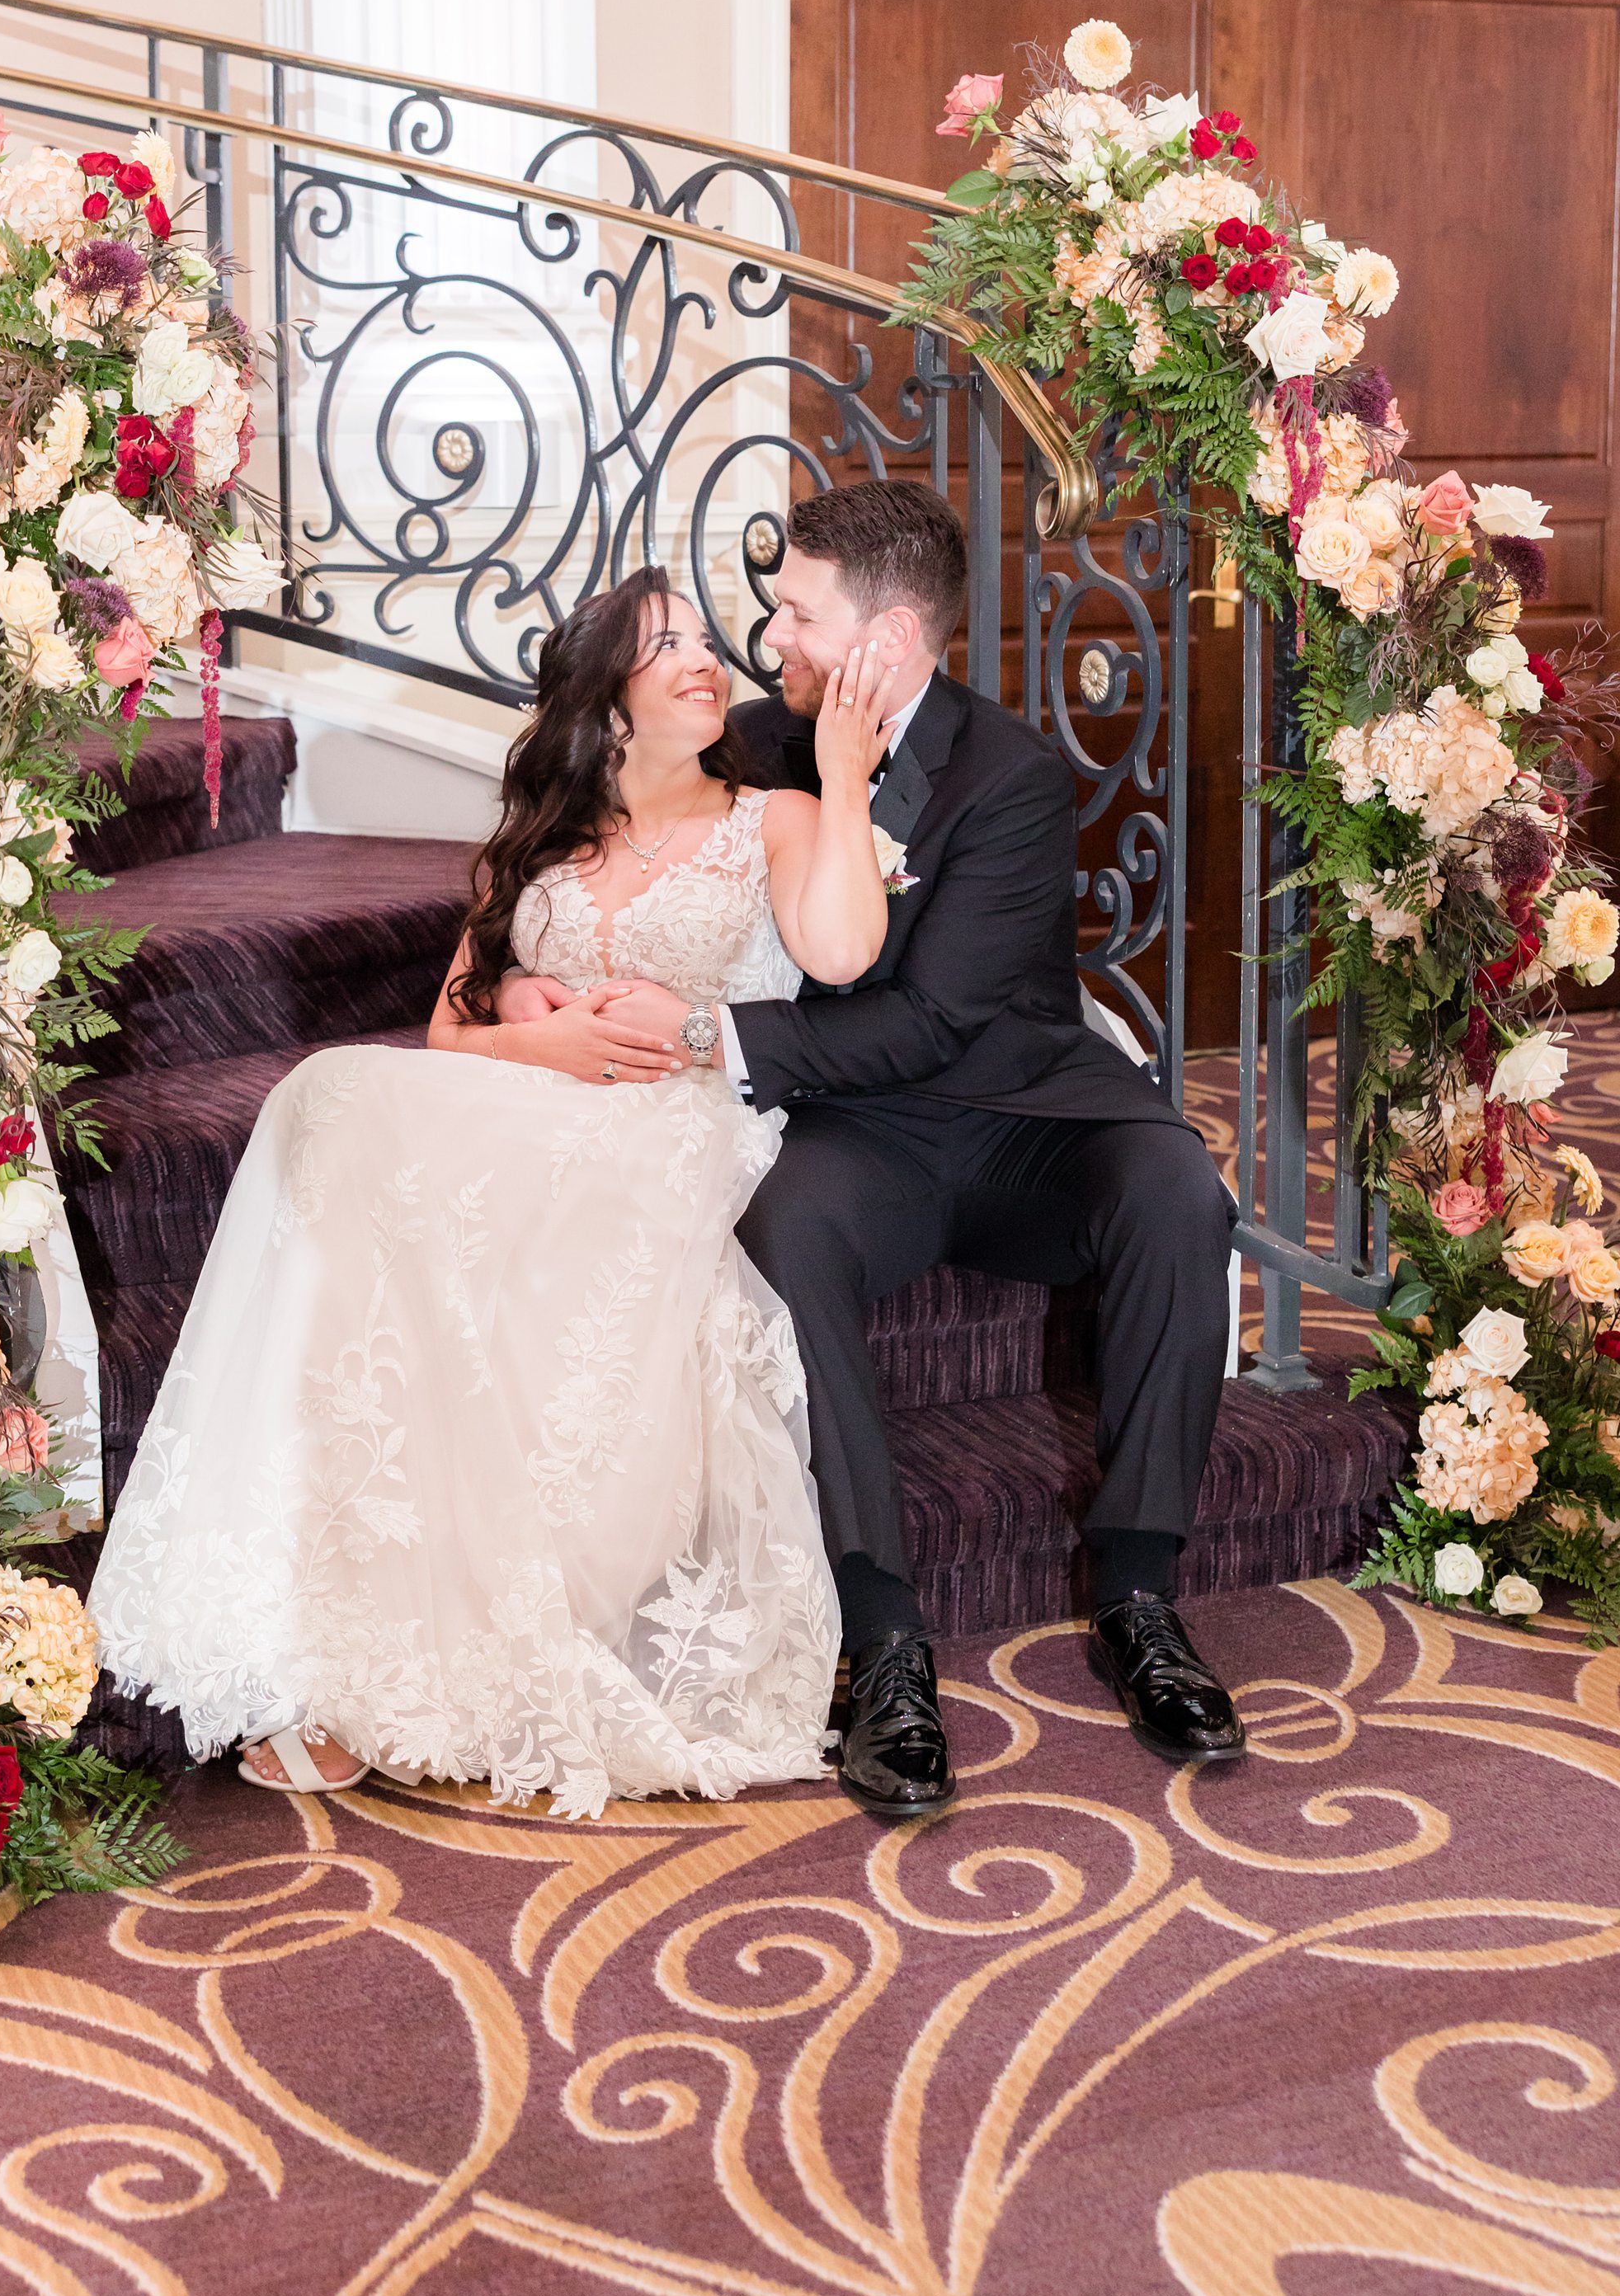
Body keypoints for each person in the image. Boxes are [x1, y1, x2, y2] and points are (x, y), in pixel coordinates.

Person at [89, 567, 899, 1816]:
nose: (704, 659)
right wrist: (547, 1040)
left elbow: (843, 951)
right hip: (534, 1099)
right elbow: (451, 1035)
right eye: (664, 645)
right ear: (607, 704)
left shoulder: (775, 817)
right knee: (330, 1100)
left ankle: (474, 1631)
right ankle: (328, 1621)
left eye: (702, 640)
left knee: (475, 1211)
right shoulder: (539, 845)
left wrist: (844, 776)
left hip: (678, 1130)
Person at [504, 482, 1246, 1818]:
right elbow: (601, 814)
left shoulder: (1011, 776)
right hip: (863, 1135)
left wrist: (710, 1035)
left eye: (797, 611)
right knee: (791, 1230)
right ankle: (884, 1638)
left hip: (1025, 1115)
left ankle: (1141, 1595)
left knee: (1180, 1192)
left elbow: (939, 1019)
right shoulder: (760, 740)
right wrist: (525, 978)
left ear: (888, 643)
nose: (768, 632)